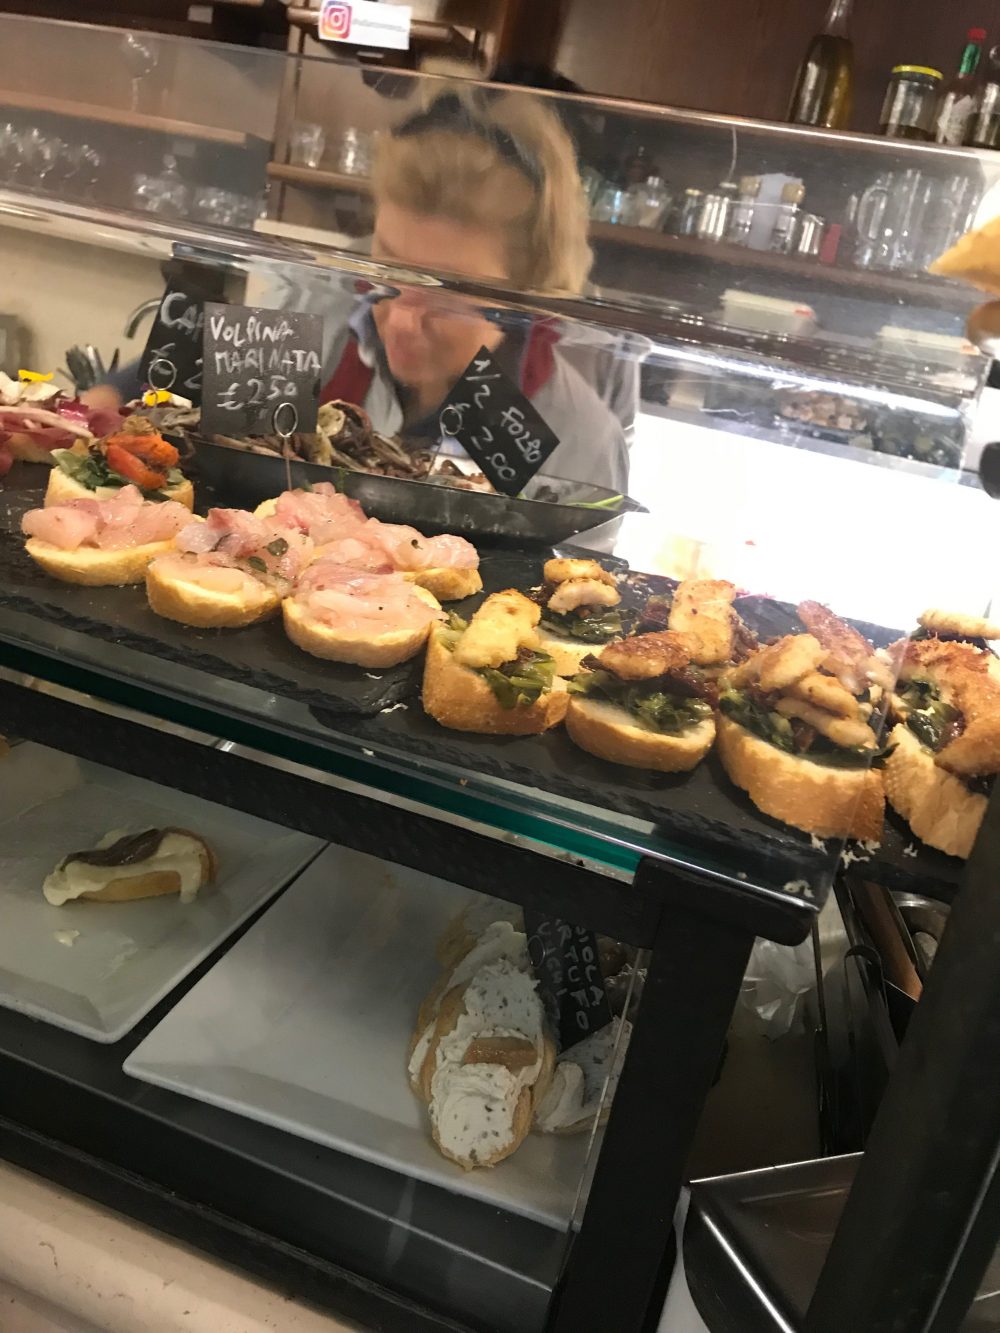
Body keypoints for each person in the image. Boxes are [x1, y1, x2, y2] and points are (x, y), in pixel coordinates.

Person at [93, 86, 635, 492]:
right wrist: (98, 406)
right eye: (390, 271)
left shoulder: (577, 441)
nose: (401, 318)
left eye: (447, 294)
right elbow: (180, 386)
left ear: (523, 297)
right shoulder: (323, 314)